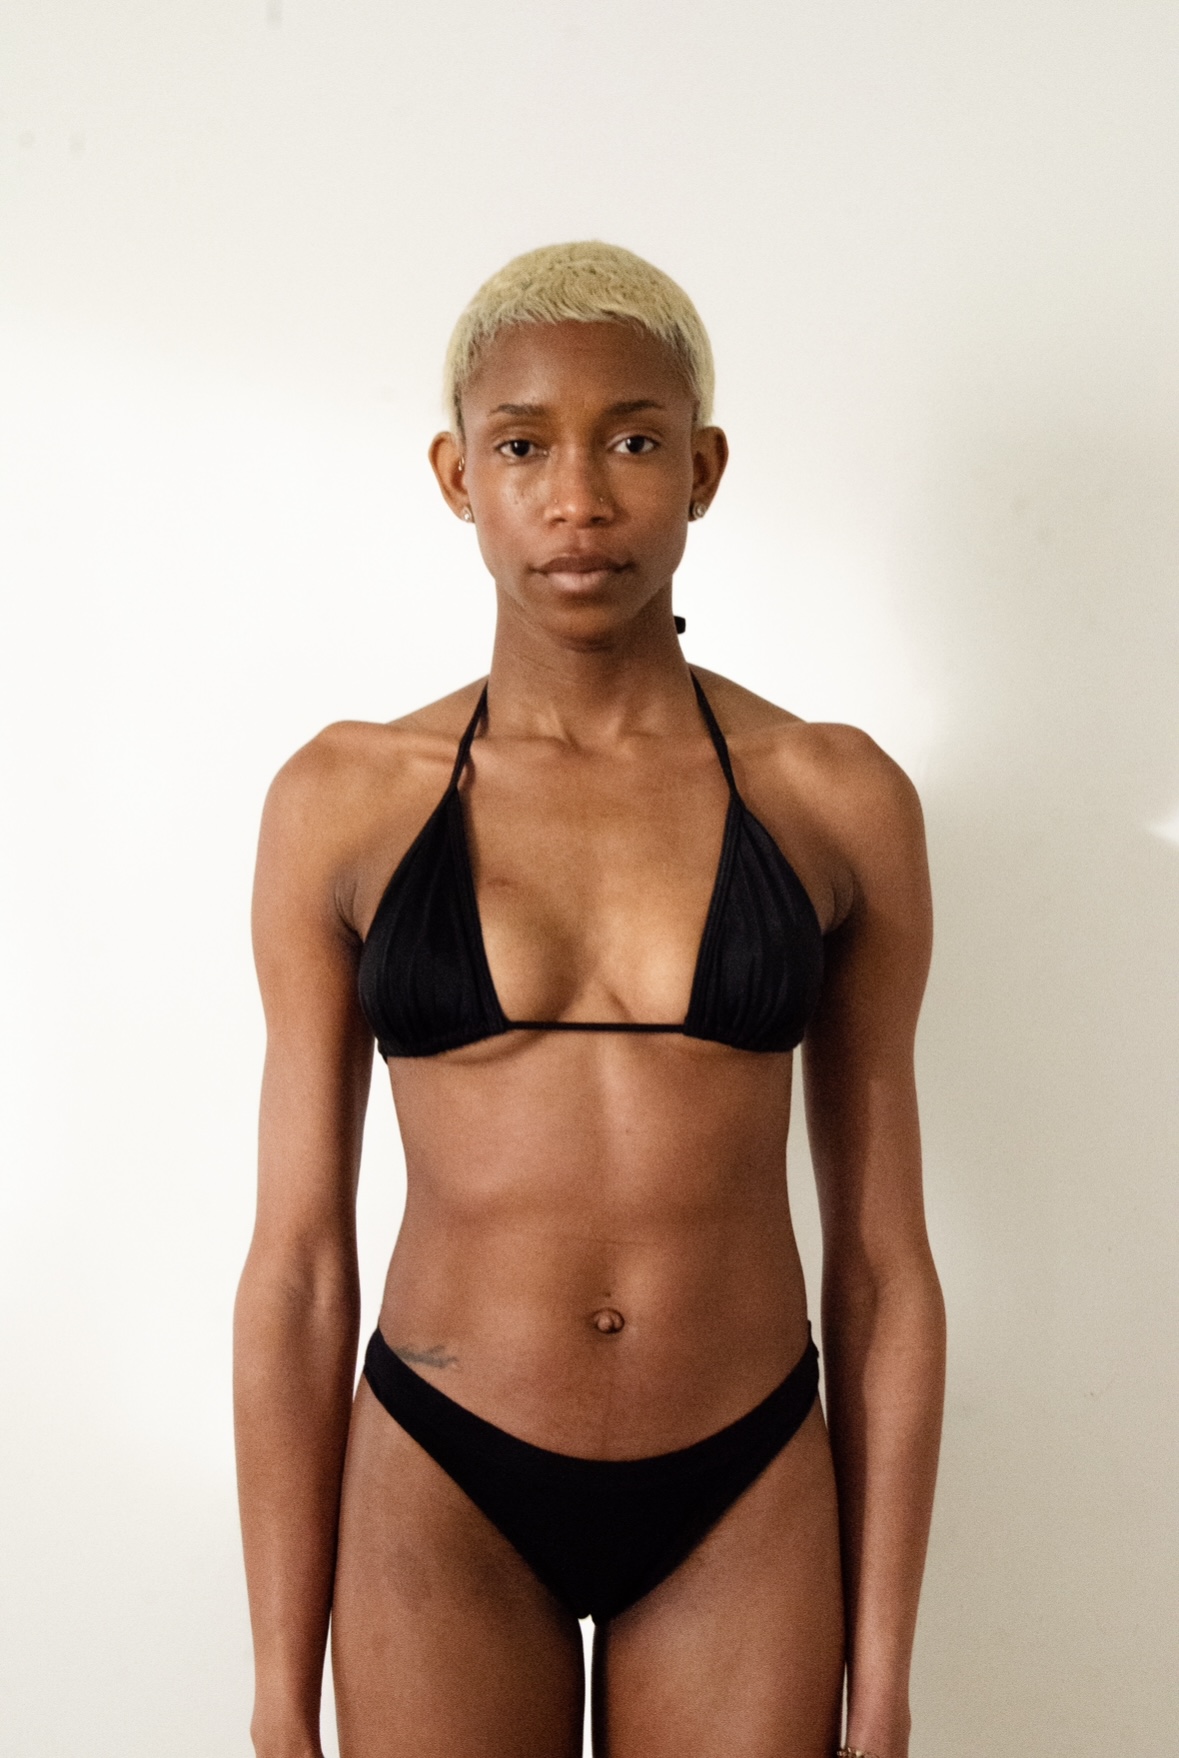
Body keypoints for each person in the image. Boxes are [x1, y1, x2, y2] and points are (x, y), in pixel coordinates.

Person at [233, 240, 945, 1758]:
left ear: (703, 470)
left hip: (744, 1480)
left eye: (632, 441)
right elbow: (297, 1263)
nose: (578, 498)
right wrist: (278, 1696)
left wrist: (884, 1682)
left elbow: (885, 1266)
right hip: (442, 1477)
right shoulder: (344, 802)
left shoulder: (838, 800)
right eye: (522, 446)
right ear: (457, 475)